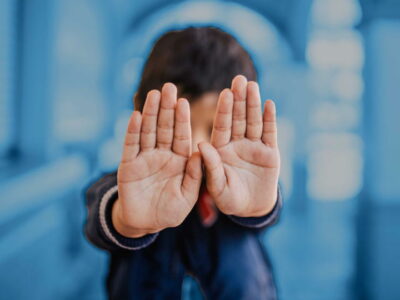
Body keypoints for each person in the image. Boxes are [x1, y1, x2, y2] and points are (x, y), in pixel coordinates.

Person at [85, 26, 282, 300]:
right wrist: (128, 220)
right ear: (142, 111)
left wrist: (259, 207)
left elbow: (265, 211)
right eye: (179, 126)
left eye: (215, 127)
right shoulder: (124, 188)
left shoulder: (243, 187)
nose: (197, 147)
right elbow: (100, 215)